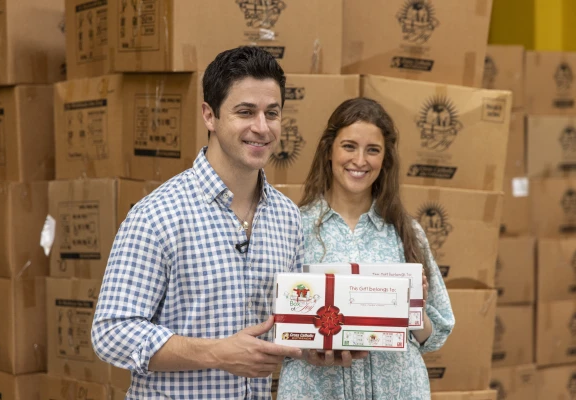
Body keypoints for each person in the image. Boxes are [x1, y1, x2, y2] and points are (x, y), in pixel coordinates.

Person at [91, 46, 304, 399]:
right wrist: (216, 353)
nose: (262, 128)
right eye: (245, 112)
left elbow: (294, 321)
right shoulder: (157, 214)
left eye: (272, 113)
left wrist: (328, 345)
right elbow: (111, 333)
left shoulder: (287, 217)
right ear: (209, 115)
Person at [277, 98, 455, 400]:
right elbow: (273, 328)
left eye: (373, 150)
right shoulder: (293, 228)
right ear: (329, 151)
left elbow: (434, 336)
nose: (360, 160)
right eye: (349, 146)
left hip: (396, 390)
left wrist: (415, 307)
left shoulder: (407, 232)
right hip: (316, 389)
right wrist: (308, 348)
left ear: (385, 159)